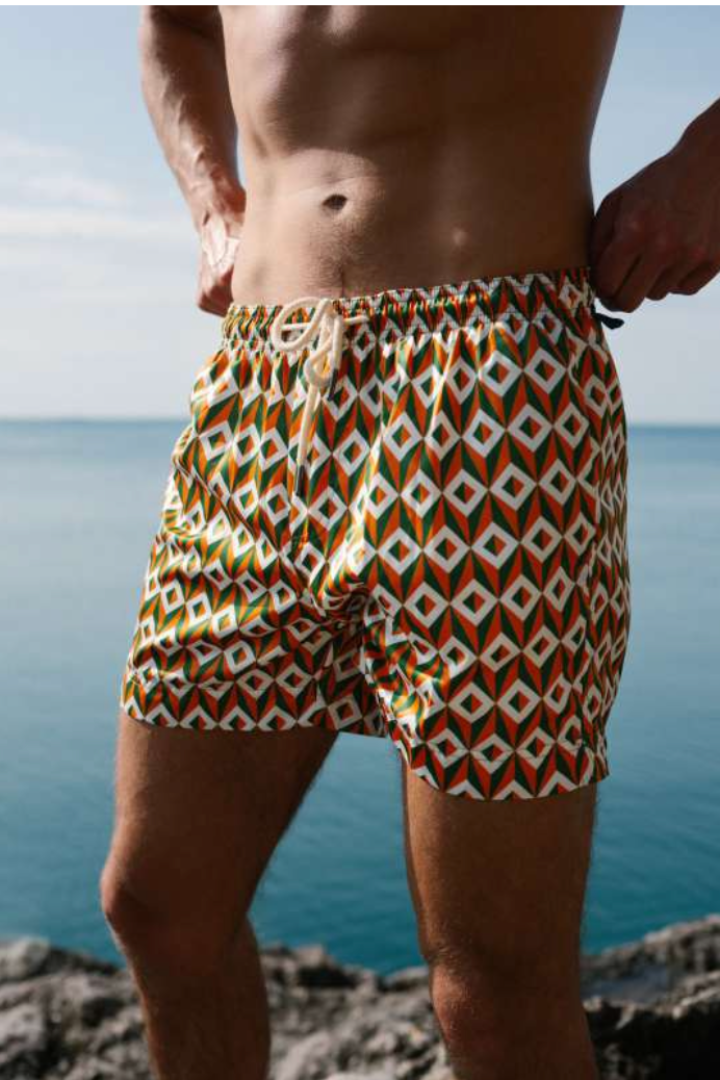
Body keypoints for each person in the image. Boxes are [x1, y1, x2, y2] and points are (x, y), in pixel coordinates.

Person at [99, 7, 720, 1079]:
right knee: (160, 904)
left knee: (492, 987)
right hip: (259, 394)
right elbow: (173, 22)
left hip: (492, 388)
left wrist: (708, 161)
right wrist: (212, 203)